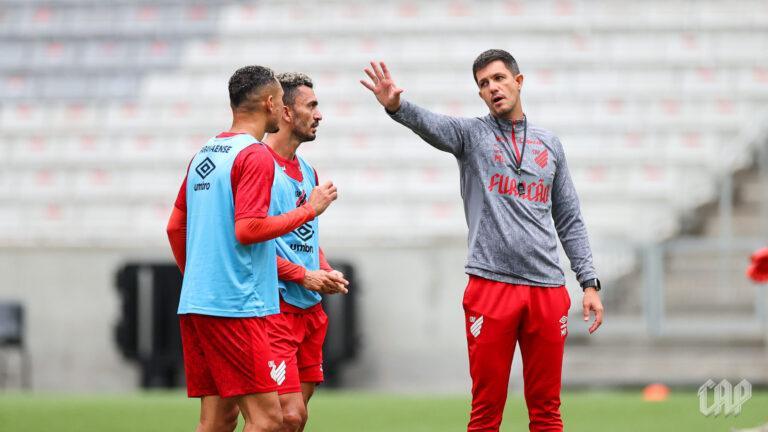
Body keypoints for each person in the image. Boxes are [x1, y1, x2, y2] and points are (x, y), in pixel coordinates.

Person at [360, 50, 605, 432]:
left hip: (547, 289)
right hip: (491, 286)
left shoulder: (550, 145)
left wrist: (588, 282)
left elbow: (569, 217)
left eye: (498, 79)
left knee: (547, 411)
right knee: (486, 410)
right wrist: (398, 107)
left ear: (518, 82)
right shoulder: (472, 136)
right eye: (483, 84)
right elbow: (433, 125)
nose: (492, 88)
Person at [166, 65, 338, 432]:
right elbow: (249, 229)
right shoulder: (255, 155)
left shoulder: (206, 152)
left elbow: (175, 226)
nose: (319, 114)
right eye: (309, 105)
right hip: (239, 305)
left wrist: (199, 278)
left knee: (217, 421)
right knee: (270, 420)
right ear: (273, 104)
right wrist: (309, 209)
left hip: (200, 302)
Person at [263, 72, 349, 432]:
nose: (319, 115)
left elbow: (306, 238)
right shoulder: (259, 166)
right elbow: (251, 241)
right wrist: (303, 275)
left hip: (309, 311)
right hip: (276, 308)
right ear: (285, 112)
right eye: (311, 105)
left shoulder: (308, 172)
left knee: (295, 421)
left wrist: (324, 269)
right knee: (288, 415)